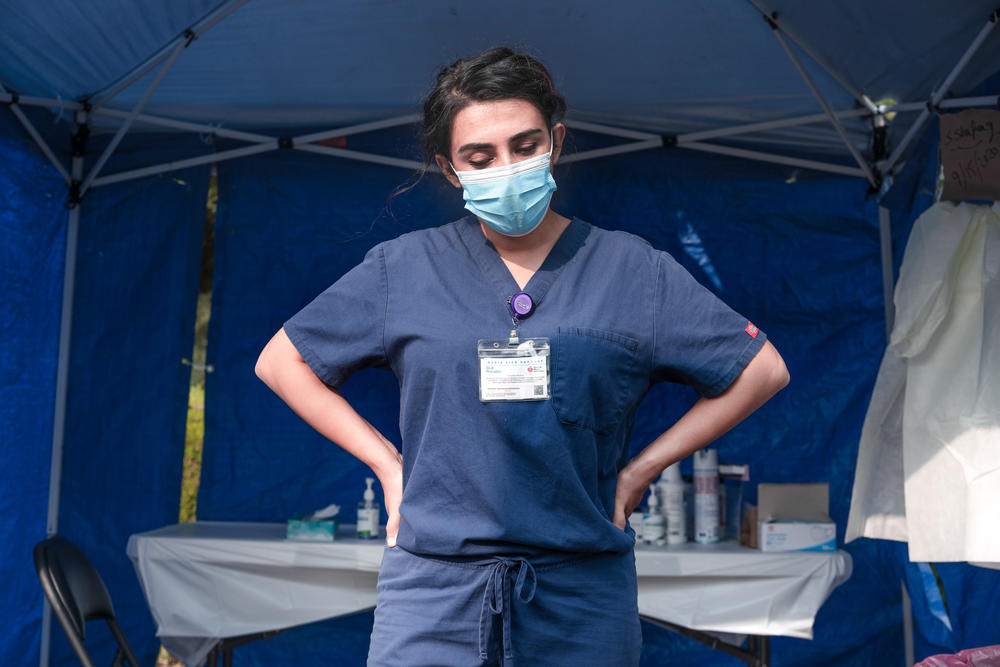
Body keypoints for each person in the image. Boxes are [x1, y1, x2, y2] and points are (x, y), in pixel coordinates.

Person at [255, 47, 789, 667]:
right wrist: (388, 465)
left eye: (525, 146)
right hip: (433, 592)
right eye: (479, 157)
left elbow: (762, 369)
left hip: (579, 594)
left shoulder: (632, 270)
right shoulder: (402, 270)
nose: (505, 169)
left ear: (556, 143)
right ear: (449, 170)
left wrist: (641, 471)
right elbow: (281, 362)